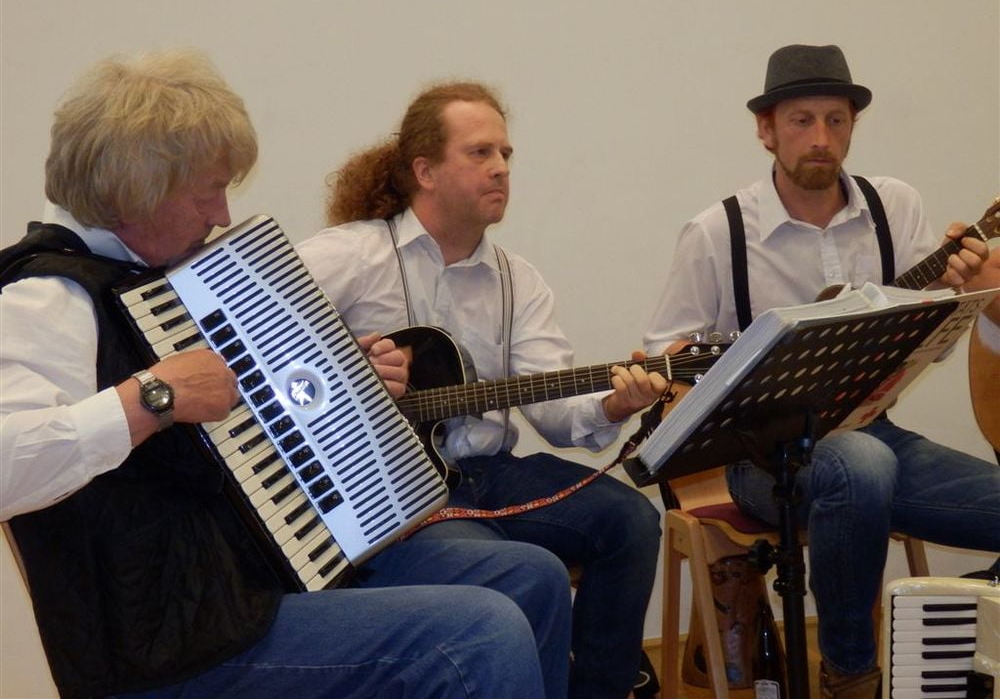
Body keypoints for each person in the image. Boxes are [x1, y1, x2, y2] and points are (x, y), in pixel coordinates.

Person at [0, 50, 573, 699]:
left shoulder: (166, 276)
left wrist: (348, 379)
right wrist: (153, 397)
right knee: (480, 632)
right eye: (208, 190)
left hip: (268, 570)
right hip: (176, 646)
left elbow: (246, 429)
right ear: (139, 189)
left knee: (532, 579)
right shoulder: (48, 298)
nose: (222, 215)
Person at [643, 44, 1000, 699]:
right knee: (861, 464)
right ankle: (850, 673)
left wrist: (960, 296)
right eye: (801, 120)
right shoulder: (718, 231)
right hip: (762, 458)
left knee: (872, 459)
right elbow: (668, 356)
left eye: (836, 120)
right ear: (766, 129)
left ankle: (950, 650)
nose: (821, 138)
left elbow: (933, 346)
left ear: (853, 125)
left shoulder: (894, 206)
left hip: (876, 434)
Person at [296, 81, 666, 699]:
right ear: (425, 171)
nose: (500, 168)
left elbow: (553, 409)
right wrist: (343, 369)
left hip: (493, 472)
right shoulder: (350, 256)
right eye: (479, 153)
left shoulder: (517, 280)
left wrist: (614, 403)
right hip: (394, 489)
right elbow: (250, 340)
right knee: (523, 568)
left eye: (505, 154)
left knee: (631, 519)